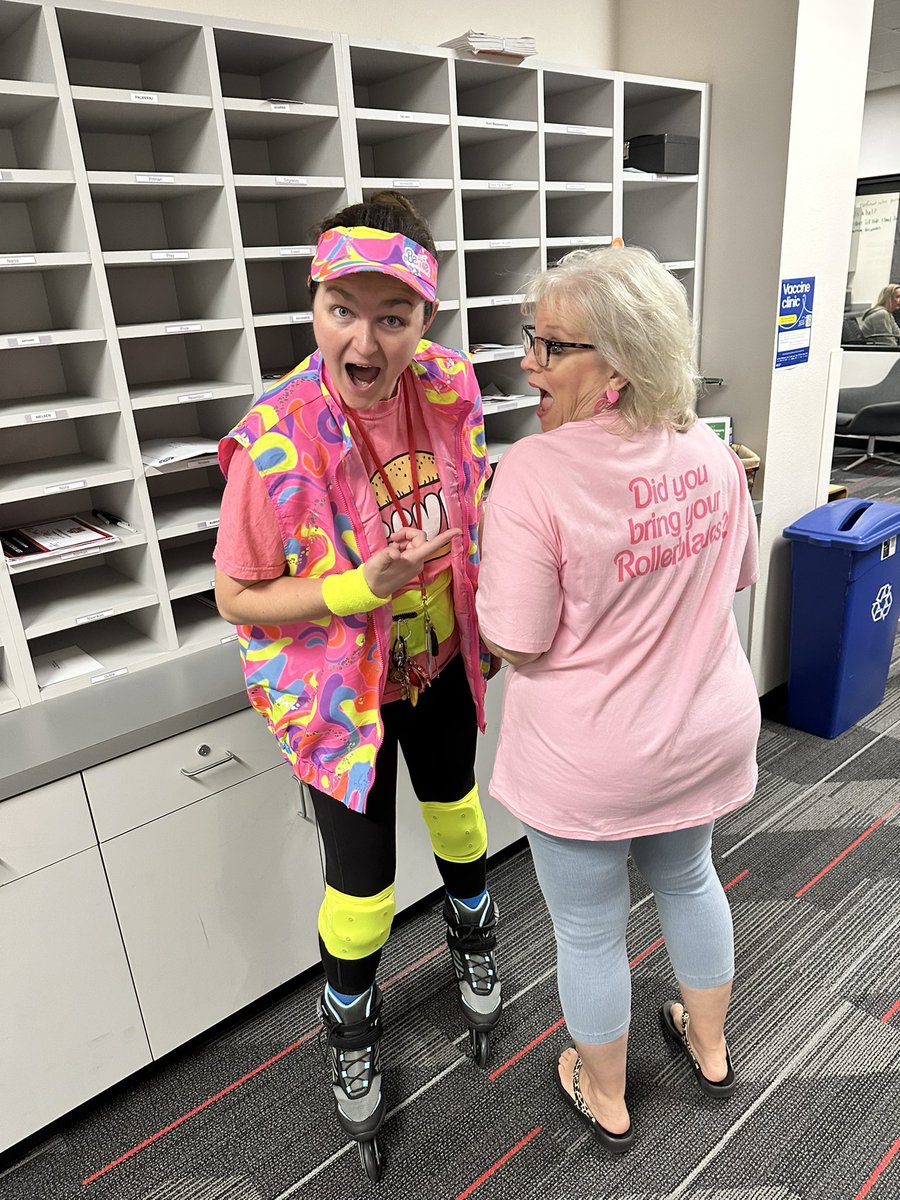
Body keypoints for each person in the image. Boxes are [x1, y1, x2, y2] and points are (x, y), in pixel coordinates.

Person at [213, 192, 501, 1174]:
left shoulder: (452, 391)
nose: (364, 339)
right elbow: (238, 597)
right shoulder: (276, 439)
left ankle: (472, 934)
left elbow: (482, 499)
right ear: (314, 303)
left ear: (428, 320)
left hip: (442, 664)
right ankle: (348, 1024)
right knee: (366, 885)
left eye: (393, 315)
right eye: (343, 309)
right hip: (348, 700)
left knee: (462, 816)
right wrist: (353, 585)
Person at [475, 246, 760, 1154]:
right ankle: (710, 1048)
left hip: (590, 758)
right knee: (689, 877)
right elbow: (739, 578)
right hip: (704, 730)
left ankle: (608, 1098)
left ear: (622, 361)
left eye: (551, 346)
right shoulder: (711, 453)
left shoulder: (532, 474)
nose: (528, 362)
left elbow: (516, 640)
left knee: (591, 933)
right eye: (533, 338)